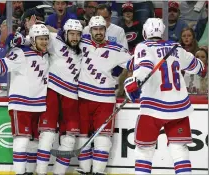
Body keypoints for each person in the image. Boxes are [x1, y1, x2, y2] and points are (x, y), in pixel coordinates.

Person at [124, 18, 204, 175]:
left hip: (152, 108)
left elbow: (144, 66)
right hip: (178, 107)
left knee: (144, 151)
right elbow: (198, 67)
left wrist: (134, 81)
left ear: (145, 32)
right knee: (179, 150)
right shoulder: (176, 47)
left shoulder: (143, 46)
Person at [0, 24, 50, 175]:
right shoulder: (21, 53)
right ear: (34, 40)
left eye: (46, 39)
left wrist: (21, 38)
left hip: (39, 105)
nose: (44, 42)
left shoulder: (46, 54)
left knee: (34, 143)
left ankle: (29, 172)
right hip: (21, 104)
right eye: (41, 39)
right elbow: (4, 64)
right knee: (22, 141)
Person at [76, 16, 133, 175]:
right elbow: (58, 38)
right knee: (82, 136)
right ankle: (85, 170)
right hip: (83, 97)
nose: (99, 32)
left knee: (103, 138)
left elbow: (135, 64)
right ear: (90, 30)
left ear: (105, 30)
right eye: (96, 29)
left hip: (105, 99)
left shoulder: (116, 49)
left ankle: (99, 172)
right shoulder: (82, 42)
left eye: (101, 29)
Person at [35, 19, 83, 175]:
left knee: (69, 139)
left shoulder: (85, 46)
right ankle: (40, 172)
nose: (75, 37)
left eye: (78, 34)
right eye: (72, 34)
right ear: (65, 33)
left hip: (72, 96)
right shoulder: (54, 41)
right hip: (52, 91)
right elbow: (37, 38)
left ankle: (58, 173)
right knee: (47, 135)